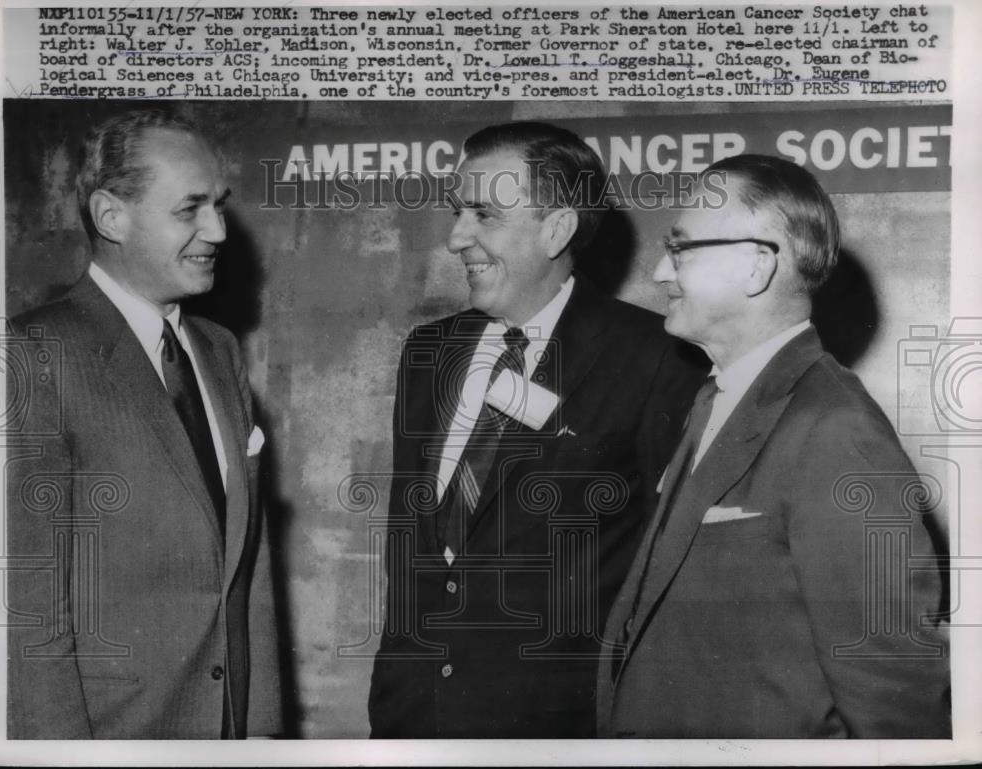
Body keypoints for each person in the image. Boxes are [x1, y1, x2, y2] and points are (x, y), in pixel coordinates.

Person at [368, 121, 705, 737]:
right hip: (413, 722)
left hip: (556, 730)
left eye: (483, 215)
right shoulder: (429, 352)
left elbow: (673, 573)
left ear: (557, 228)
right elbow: (412, 546)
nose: (454, 238)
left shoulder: (655, 358)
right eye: (457, 212)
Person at [597, 154, 950, 738]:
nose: (661, 272)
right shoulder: (718, 398)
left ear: (756, 267)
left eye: (681, 249)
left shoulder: (834, 428)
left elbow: (895, 701)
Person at [6, 110, 282, 738]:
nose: (217, 230)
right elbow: (25, 606)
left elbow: (249, 566)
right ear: (111, 217)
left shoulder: (218, 350)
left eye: (219, 205)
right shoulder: (32, 353)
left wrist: (260, 730)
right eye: (190, 209)